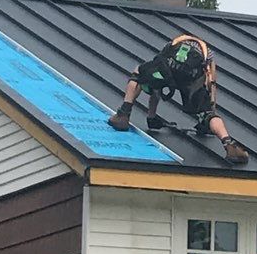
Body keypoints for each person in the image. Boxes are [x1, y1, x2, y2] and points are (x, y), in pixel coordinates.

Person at [107, 33, 249, 164]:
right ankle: (229, 145)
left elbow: (158, 75)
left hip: (169, 69)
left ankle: (123, 114)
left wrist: (152, 116)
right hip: (192, 77)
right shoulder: (207, 53)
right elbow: (211, 83)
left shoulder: (174, 43)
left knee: (139, 73)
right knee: (209, 114)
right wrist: (208, 111)